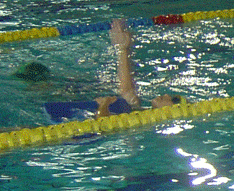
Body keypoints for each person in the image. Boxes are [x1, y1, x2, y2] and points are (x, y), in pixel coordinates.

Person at [24, 19, 186, 123]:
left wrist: (104, 105)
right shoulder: (141, 112)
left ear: (173, 110)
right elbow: (127, 90)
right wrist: (123, 49)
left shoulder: (146, 124)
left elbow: (105, 126)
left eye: (171, 99)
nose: (166, 95)